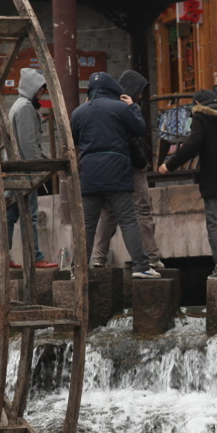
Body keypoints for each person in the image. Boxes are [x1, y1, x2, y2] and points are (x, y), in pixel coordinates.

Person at [70, 72, 161, 279]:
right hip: (116, 173)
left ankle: (78, 269)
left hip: (90, 175)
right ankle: (141, 266)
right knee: (128, 220)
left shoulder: (78, 112)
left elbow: (74, 138)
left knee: (87, 225)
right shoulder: (120, 108)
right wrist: (132, 107)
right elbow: (139, 129)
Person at [158, 89, 217, 279]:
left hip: (213, 177)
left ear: (198, 103)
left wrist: (170, 165)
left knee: (215, 223)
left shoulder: (201, 117)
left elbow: (192, 145)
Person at [0, 67, 61, 268]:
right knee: (29, 215)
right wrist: (38, 170)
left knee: (11, 214)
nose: (41, 93)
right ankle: (35, 256)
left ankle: (0, 257)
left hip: (16, 168)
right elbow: (28, 144)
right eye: (40, 90)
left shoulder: (19, 105)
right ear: (31, 89)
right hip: (24, 171)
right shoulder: (24, 108)